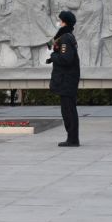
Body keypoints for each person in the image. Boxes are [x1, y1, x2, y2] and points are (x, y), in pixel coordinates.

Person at [46, 10, 81, 147]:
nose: (58, 23)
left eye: (60, 21)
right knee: (67, 109)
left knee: (68, 110)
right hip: (67, 79)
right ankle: (72, 137)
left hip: (67, 79)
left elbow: (66, 59)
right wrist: (52, 55)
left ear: (65, 22)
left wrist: (52, 55)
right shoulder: (66, 36)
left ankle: (72, 139)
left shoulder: (66, 38)